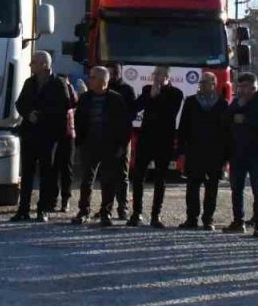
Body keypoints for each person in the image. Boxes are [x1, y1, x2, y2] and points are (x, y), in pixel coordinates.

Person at [12, 51, 71, 222]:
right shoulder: (29, 83)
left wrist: (43, 116)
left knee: (47, 174)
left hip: (49, 136)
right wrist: (29, 114)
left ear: (44, 65)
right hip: (30, 134)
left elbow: (64, 108)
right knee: (27, 173)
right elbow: (20, 103)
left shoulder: (59, 84)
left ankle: (42, 209)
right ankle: (23, 209)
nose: (31, 65)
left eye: (34, 62)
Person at [72, 66, 131, 226]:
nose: (89, 80)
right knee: (86, 180)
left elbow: (124, 125)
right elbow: (78, 121)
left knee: (108, 180)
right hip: (89, 144)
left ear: (102, 80)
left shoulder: (116, 99)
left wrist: (121, 146)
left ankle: (106, 212)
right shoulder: (85, 98)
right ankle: (83, 211)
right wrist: (80, 143)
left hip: (109, 145)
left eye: (92, 77)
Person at [127, 65, 183, 227]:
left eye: (160, 74)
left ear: (167, 77)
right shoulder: (146, 90)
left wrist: (156, 97)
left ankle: (155, 215)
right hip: (146, 139)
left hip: (164, 140)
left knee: (160, 178)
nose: (156, 77)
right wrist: (149, 96)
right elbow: (135, 108)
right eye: (155, 74)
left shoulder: (175, 93)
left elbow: (170, 112)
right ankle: (136, 213)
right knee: (138, 176)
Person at [177, 72, 230, 230]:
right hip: (194, 151)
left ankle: (208, 219)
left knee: (212, 187)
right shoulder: (191, 102)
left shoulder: (222, 104)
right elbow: (183, 127)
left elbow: (227, 132)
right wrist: (181, 149)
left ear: (214, 84)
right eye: (201, 82)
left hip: (215, 153)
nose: (202, 84)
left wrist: (226, 156)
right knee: (192, 186)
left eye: (206, 82)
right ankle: (191, 218)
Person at [225, 72, 258, 237]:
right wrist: (236, 107)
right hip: (237, 152)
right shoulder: (236, 102)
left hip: (257, 153)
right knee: (236, 188)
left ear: (254, 87)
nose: (242, 90)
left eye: (245, 86)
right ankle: (238, 221)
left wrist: (246, 119)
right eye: (240, 86)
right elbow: (226, 120)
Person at [104, 62, 137, 220]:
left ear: (120, 72)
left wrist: (123, 142)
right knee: (106, 175)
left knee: (122, 176)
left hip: (122, 137)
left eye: (115, 72)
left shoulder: (127, 90)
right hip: (105, 137)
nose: (113, 75)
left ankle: (123, 208)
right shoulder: (103, 90)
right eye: (110, 73)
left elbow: (130, 116)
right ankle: (106, 208)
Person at [53, 76, 79, 212]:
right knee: (54, 168)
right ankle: (54, 198)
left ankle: (65, 199)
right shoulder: (53, 94)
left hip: (68, 135)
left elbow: (74, 103)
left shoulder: (69, 94)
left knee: (66, 168)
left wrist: (69, 86)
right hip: (55, 135)